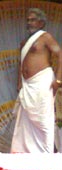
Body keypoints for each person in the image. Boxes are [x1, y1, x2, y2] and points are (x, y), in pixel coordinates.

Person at [11, 8, 62, 153]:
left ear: (41, 22)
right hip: (27, 86)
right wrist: (19, 83)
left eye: (32, 20)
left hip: (42, 81)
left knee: (43, 119)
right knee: (25, 119)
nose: (29, 23)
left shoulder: (46, 37)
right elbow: (20, 63)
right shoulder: (25, 42)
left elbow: (60, 55)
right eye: (28, 20)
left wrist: (58, 80)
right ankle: (23, 152)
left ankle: (45, 153)